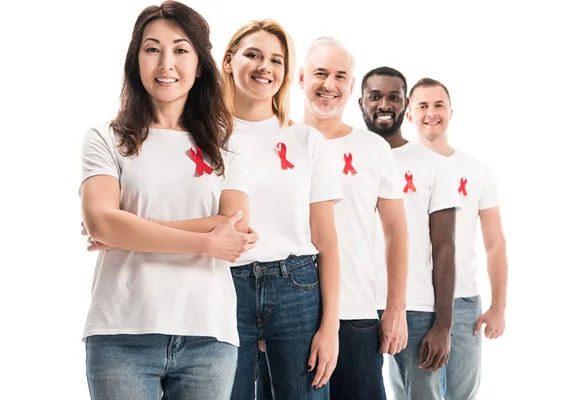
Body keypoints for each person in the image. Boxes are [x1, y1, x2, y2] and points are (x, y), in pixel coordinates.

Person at [79, 1, 257, 399]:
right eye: (151, 48)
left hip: (208, 336)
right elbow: (102, 224)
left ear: (199, 62)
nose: (166, 63)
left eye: (180, 49)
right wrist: (205, 241)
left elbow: (237, 225)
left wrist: (131, 228)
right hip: (121, 332)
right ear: (135, 59)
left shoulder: (228, 145)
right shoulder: (106, 138)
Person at [221, 20, 343, 399]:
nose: (265, 67)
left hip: (297, 288)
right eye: (253, 55)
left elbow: (326, 238)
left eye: (277, 60)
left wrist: (330, 327)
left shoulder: (306, 139)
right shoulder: (206, 136)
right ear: (228, 61)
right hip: (224, 286)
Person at [300, 37, 409, 400]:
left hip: (356, 313)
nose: (329, 84)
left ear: (351, 86)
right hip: (290, 315)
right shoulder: (281, 141)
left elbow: (396, 232)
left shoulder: (373, 148)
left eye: (340, 76)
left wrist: (395, 309)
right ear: (301, 78)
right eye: (320, 73)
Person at [359, 66, 461, 400]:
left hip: (417, 308)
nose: (384, 104)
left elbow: (445, 247)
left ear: (406, 105)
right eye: (375, 96)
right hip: (353, 304)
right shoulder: (347, 155)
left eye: (394, 97)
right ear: (361, 102)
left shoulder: (434, 165)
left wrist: (443, 325)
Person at [407, 77, 508, 400]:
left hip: (463, 303)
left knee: (461, 395)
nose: (431, 113)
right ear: (409, 114)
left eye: (438, 105)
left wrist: (498, 307)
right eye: (422, 105)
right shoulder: (394, 166)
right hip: (412, 301)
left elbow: (495, 243)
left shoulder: (475, 170)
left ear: (451, 111)